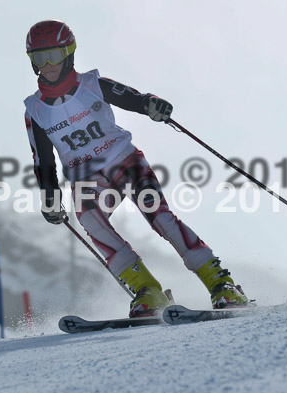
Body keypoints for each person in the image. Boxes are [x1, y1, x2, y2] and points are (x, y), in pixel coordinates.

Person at [23, 20, 248, 317]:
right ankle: (148, 290)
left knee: (160, 218)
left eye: (54, 55)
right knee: (89, 219)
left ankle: (221, 282)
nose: (48, 64)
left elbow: (130, 97)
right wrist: (49, 197)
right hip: (87, 178)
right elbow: (44, 160)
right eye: (40, 58)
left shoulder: (91, 84)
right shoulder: (34, 110)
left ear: (69, 53)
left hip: (124, 162)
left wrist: (151, 105)